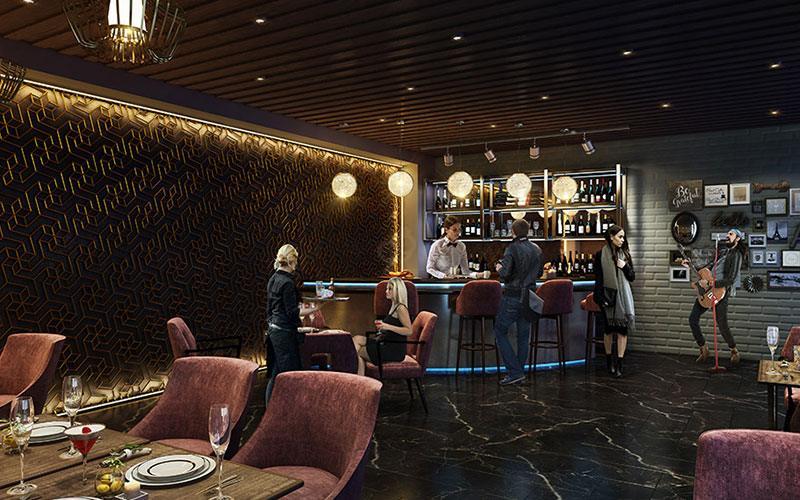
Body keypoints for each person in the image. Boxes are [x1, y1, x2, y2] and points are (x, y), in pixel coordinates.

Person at [683, 228, 748, 365]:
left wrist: (711, 283)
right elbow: (708, 267)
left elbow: (731, 279)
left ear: (737, 238)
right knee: (693, 319)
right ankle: (703, 348)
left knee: (722, 324)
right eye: (727, 233)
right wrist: (691, 266)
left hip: (720, 292)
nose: (727, 235)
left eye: (731, 234)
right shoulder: (723, 252)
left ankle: (734, 350)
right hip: (707, 290)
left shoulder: (736, 255)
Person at [493, 218, 543, 385]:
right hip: (529, 296)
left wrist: (499, 268)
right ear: (528, 231)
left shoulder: (512, 248)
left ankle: (514, 372)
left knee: (499, 331)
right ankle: (519, 372)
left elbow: (505, 274)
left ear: (512, 232)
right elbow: (539, 273)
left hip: (513, 296)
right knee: (523, 336)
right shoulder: (537, 248)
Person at [265, 244, 316, 402]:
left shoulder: (273, 278)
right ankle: (291, 408)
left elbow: (270, 309)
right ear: (293, 261)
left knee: (276, 373)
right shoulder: (287, 282)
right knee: (291, 375)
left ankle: (270, 408)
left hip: (274, 331)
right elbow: (292, 312)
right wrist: (317, 307)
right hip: (284, 333)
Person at [595, 225, 636, 377]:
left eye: (623, 237)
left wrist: (625, 267)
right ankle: (609, 362)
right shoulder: (600, 254)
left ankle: (619, 364)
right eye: (620, 237)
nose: (622, 240)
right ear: (611, 237)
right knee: (608, 330)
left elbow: (632, 277)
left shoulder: (625, 254)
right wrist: (601, 298)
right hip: (607, 296)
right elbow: (598, 278)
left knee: (622, 331)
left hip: (623, 299)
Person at [352, 277, 412, 375]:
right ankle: (359, 379)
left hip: (394, 350)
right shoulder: (394, 306)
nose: (386, 291)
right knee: (356, 339)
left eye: (390, 289)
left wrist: (387, 326)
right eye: (387, 289)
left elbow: (409, 330)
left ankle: (358, 379)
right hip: (385, 343)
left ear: (397, 290)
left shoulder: (401, 308)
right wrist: (382, 329)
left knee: (359, 353)